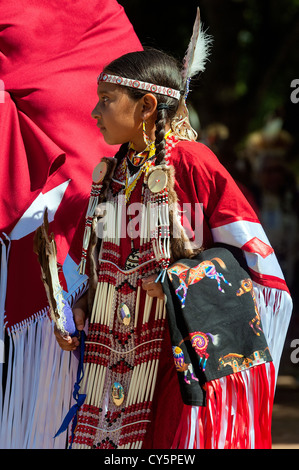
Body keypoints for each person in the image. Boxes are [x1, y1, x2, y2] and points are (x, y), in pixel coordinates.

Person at [54, 44, 292, 449]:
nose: (95, 112)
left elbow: (254, 261)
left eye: (107, 100)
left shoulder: (194, 164)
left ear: (147, 105)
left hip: (175, 355)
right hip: (110, 361)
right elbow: (105, 263)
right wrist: (84, 306)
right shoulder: (110, 177)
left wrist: (178, 278)